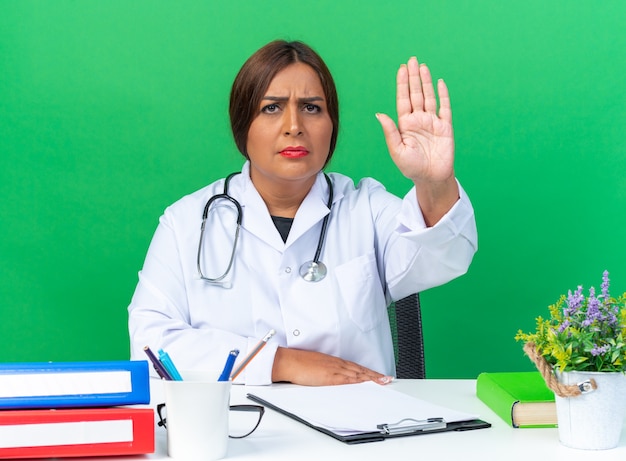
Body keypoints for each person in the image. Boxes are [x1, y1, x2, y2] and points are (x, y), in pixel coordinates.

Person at [128, 40, 477, 386]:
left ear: (332, 125)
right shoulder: (186, 222)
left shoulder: (365, 207)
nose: (293, 125)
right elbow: (150, 345)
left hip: (359, 427)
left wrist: (434, 182)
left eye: (311, 108)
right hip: (237, 430)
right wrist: (280, 361)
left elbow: (446, 256)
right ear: (241, 125)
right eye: (271, 108)